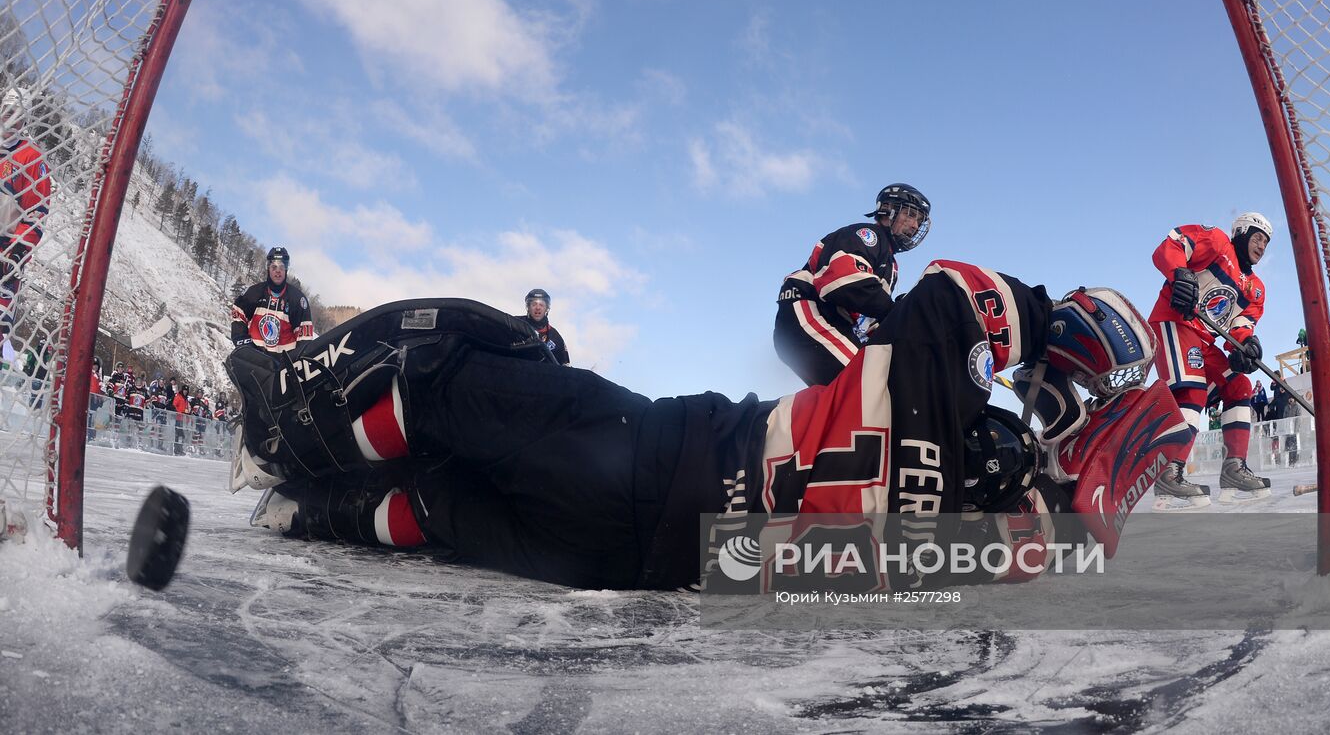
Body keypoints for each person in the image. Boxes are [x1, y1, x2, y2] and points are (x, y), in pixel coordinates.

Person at [230, 259, 1181, 591]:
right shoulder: (977, 552)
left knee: (447, 389)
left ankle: (288, 443)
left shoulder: (921, 397)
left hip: (647, 456)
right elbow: (1054, 538)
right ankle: (299, 512)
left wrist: (1050, 321)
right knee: (436, 506)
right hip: (639, 562)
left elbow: (950, 295)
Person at [1148, 212, 1273, 507]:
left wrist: (1246, 347)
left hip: (1205, 339)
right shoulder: (1216, 241)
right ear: (1241, 233)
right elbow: (1172, 245)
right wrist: (1180, 273)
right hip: (1173, 322)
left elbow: (1240, 326)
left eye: (1266, 242)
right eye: (1257, 237)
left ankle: (1234, 468)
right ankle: (1170, 472)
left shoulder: (1256, 289)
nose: (1262, 246)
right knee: (1193, 392)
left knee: (1239, 386)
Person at [773, 184, 930, 387]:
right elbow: (841, 281)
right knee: (869, 385)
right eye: (911, 215)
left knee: (878, 393)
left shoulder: (890, 266)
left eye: (919, 220)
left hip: (837, 324)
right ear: (889, 208)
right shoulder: (868, 235)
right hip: (808, 311)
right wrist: (897, 312)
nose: (915, 225)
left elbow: (869, 322)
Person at [0, 86, 52, 340]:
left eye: (17, 114)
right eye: (7, 111)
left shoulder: (32, 158)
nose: (11, 118)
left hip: (5, 252)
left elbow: (37, 211)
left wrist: (17, 249)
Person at [231, 247, 315, 353]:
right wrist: (246, 347)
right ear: (268, 269)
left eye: (281, 267)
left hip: (284, 364)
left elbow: (304, 340)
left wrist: (295, 361)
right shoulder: (254, 292)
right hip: (255, 360)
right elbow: (238, 316)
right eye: (274, 267)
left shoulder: (297, 299)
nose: (278, 271)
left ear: (286, 270)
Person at [519, 288, 569, 365]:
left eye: (541, 305)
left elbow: (565, 367)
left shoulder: (556, 337)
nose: (538, 308)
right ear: (528, 307)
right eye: (534, 304)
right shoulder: (515, 323)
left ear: (546, 308)